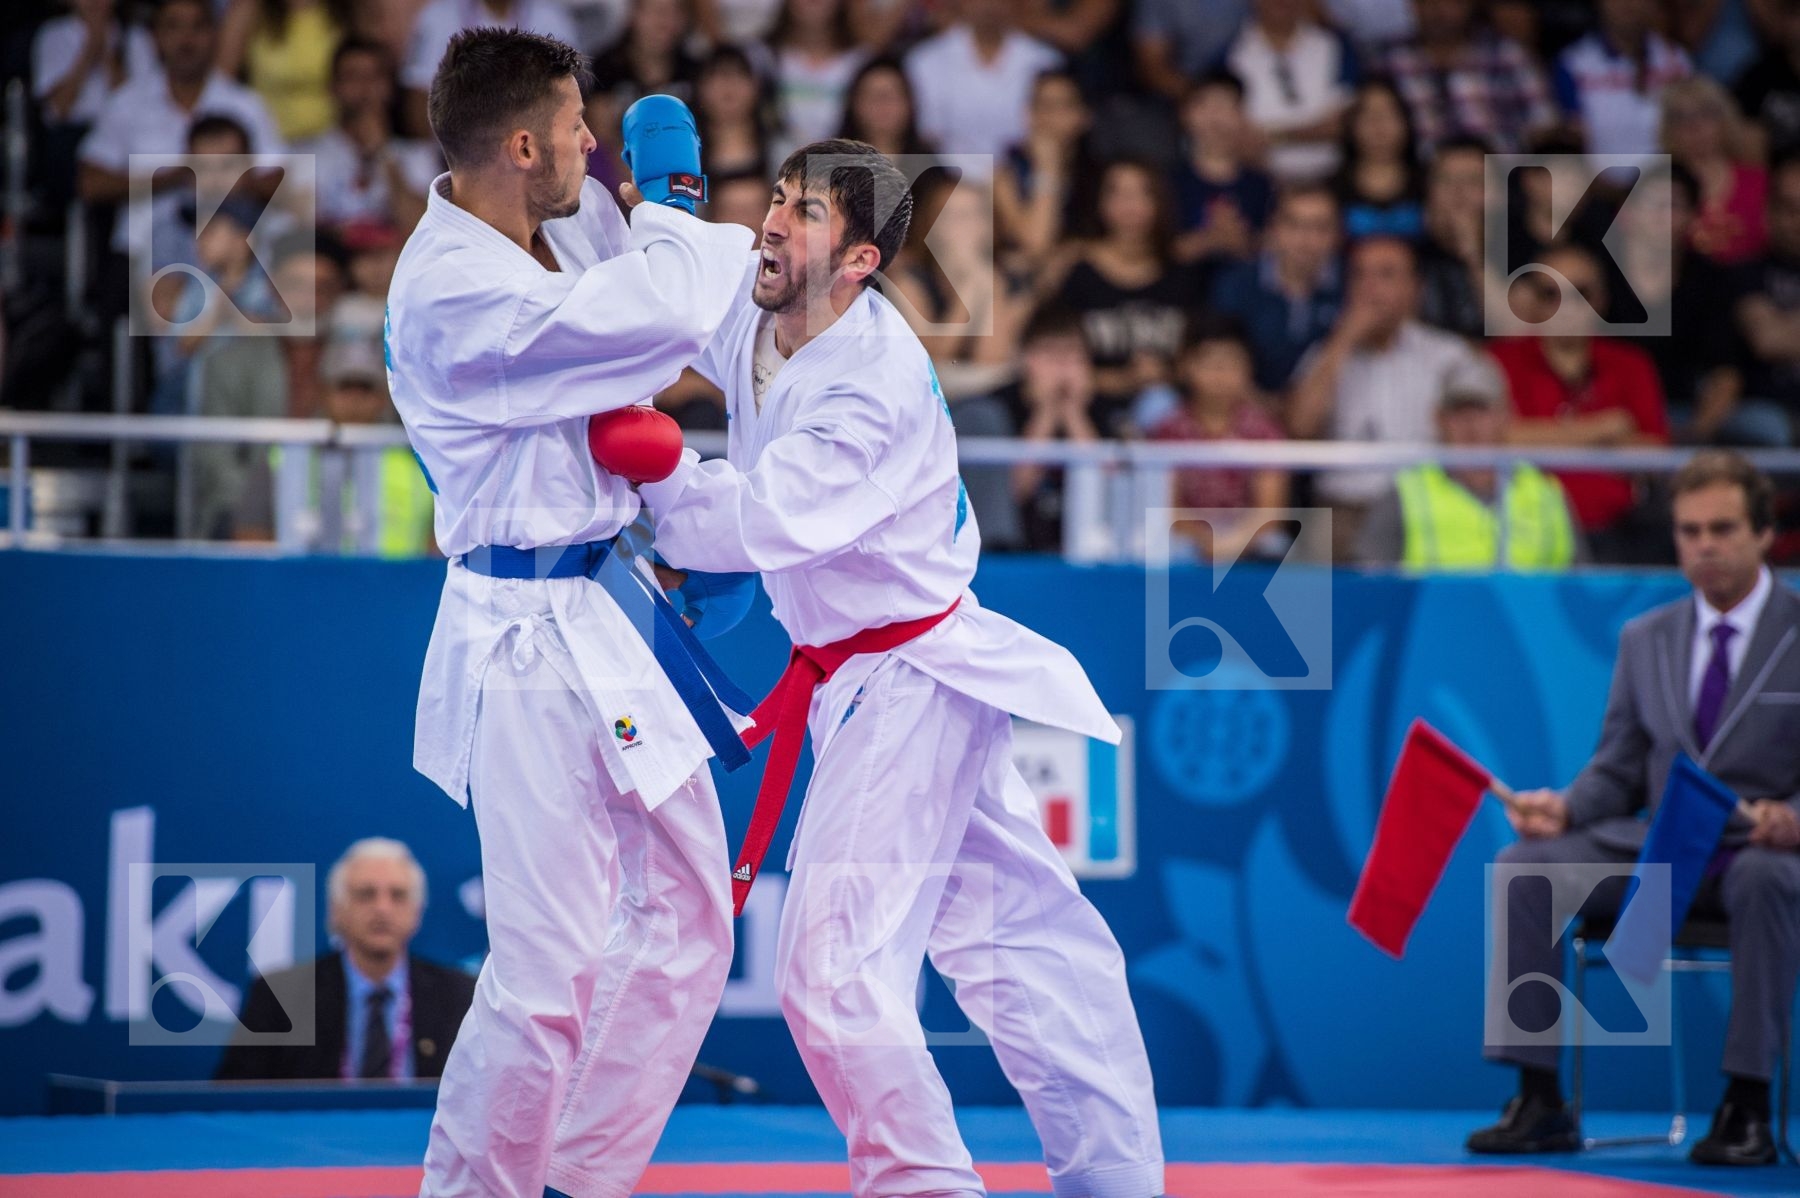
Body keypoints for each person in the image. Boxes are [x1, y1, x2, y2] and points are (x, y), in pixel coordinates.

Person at [636, 135, 1165, 1198]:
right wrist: (660, 203)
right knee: (1021, 934)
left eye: (807, 214)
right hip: (875, 675)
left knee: (830, 970)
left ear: (862, 260)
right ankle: (1120, 1178)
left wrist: (647, 465)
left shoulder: (870, 384)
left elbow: (762, 515)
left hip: (906, 679)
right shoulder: (762, 294)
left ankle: (928, 1182)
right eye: (776, 198)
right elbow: (671, 293)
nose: (774, 223)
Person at [386, 30, 755, 1198]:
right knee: (545, 970)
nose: (597, 146)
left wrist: (653, 218)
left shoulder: (563, 220)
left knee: (696, 918)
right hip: (522, 636)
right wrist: (681, 199)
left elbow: (658, 321)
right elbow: (653, 329)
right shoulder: (449, 291)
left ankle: (578, 1180)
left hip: (608, 606)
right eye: (577, 127)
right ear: (524, 143)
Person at [1468, 450, 1800, 1169]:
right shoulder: (1644, 639)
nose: (1704, 545)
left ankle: (1746, 1106)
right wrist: (1565, 808)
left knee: (1766, 880)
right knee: (1526, 866)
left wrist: (1793, 820)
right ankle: (1539, 1099)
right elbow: (1618, 769)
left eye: (1722, 528)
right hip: (1661, 849)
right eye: (1689, 531)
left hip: (1761, 852)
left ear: (1764, 531)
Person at [1287, 234, 1486, 555]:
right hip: (1340, 508)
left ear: (1414, 288)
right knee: (1309, 592)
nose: (1370, 287)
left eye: (1386, 275)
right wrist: (1343, 341)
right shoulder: (1325, 353)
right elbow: (1299, 427)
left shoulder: (1448, 355)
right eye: (1360, 275)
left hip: (1422, 509)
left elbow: (1482, 437)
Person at [215, 838, 475, 1080]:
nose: (382, 908)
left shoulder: (459, 997)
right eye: (366, 894)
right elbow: (236, 1105)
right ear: (336, 910)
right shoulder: (280, 997)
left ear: (417, 912)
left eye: (397, 895)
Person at [1490, 241, 1671, 563]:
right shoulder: (1500, 362)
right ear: (1531, 303)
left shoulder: (1632, 364)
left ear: (1600, 300)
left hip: (1620, 532)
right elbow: (1499, 439)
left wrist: (1542, 439)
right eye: (1551, 294)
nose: (1566, 306)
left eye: (1581, 293)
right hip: (1525, 531)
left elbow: (1654, 454)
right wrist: (1604, 430)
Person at [77, 0, 285, 263]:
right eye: (173, 26)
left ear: (214, 34)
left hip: (230, 256)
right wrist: (175, 177)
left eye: (198, 27)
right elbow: (90, 183)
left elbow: (277, 180)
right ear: (155, 36)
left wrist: (225, 176)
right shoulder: (125, 104)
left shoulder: (246, 104)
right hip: (140, 252)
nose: (187, 39)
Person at [1354, 355, 1587, 568]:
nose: (1470, 423)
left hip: (1529, 615)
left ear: (1507, 416)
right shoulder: (1404, 493)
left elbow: (1580, 589)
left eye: (1482, 410)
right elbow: (1372, 589)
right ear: (1438, 419)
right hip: (1438, 615)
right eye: (1458, 411)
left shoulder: (1547, 493)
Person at [1149, 316, 1290, 562]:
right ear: (1186, 366)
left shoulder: (1264, 431)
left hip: (1248, 539)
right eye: (1211, 364)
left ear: (1249, 368)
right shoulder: (1169, 430)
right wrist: (1206, 541)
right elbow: (1166, 509)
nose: (1221, 375)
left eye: (1231, 363)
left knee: (1275, 545)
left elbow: (1270, 513)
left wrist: (1233, 543)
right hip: (1190, 541)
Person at [904, 0, 1063, 181]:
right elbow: (928, 135)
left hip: (1025, 178)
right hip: (947, 183)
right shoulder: (924, 61)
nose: (989, 5)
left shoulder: (1045, 60)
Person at [1210, 181, 1344, 393]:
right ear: (1273, 228)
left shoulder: (1354, 285)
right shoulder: (1236, 285)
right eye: (1295, 225)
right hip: (1247, 412)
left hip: (1334, 411)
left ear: (1337, 234)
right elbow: (1217, 363)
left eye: (1320, 227)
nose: (1307, 239)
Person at [1376, 0, 1556, 155]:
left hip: (1500, 179)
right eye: (1428, 1)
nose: (1439, 10)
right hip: (1419, 182)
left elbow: (1544, 127)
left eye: (1450, 1)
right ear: (1413, 5)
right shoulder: (1390, 60)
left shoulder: (1507, 55)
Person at [303, 37, 438, 239]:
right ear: (333, 88)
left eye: (374, 77)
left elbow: (423, 231)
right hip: (335, 262)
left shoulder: (417, 156)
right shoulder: (308, 154)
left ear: (391, 88)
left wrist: (382, 153)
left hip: (396, 265)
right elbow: (294, 241)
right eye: (353, 77)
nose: (365, 88)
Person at [1223, 0, 1357, 183]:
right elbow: (1234, 133)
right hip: (1261, 184)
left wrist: (1273, 136)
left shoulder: (1335, 46)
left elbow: (1341, 125)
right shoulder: (1231, 53)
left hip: (1332, 180)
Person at [400, 0, 578, 135]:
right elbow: (417, 111)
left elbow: (570, 101)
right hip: (452, 153)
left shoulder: (551, 18)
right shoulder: (439, 16)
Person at [1550, 0, 1690, 162]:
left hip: (1669, 179)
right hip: (1598, 182)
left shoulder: (1676, 59)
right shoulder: (1573, 63)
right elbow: (1571, 139)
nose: (1627, 4)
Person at [993, 68, 1096, 271]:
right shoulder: (1005, 175)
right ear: (1028, 114)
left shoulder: (1102, 174)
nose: (1048, 116)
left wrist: (1070, 254)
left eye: (1061, 106)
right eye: (1041, 105)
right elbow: (1035, 245)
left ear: (1084, 116)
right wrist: (1047, 168)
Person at [1662, 75, 1768, 268]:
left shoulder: (1759, 182)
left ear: (1726, 120)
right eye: (1681, 117)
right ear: (1667, 129)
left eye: (1706, 114)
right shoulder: (1653, 186)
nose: (1695, 126)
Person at [1170, 69, 1274, 267]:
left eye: (1226, 105)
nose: (1215, 117)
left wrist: (1241, 242)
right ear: (1185, 115)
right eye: (1205, 105)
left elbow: (1271, 250)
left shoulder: (1263, 185)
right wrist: (1210, 239)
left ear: (1242, 115)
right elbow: (1154, 253)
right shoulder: (1168, 181)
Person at [217, 0, 357, 143]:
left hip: (335, 140)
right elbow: (221, 81)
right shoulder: (250, 8)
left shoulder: (347, 10)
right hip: (266, 142)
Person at [1736, 155, 1800, 447]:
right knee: (1770, 425)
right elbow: (1768, 340)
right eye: (1790, 209)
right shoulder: (1747, 272)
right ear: (1770, 212)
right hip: (1768, 408)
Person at [1415, 133, 1489, 338]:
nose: (1459, 191)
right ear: (1429, 189)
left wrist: (1473, 254)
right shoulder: (1408, 253)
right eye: (1446, 180)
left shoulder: (1517, 249)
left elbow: (1513, 332)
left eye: (1473, 181)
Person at [1331, 77, 1424, 240]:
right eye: (1368, 115)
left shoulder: (1429, 181)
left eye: (1388, 114)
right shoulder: (1331, 188)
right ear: (1351, 124)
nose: (1378, 124)